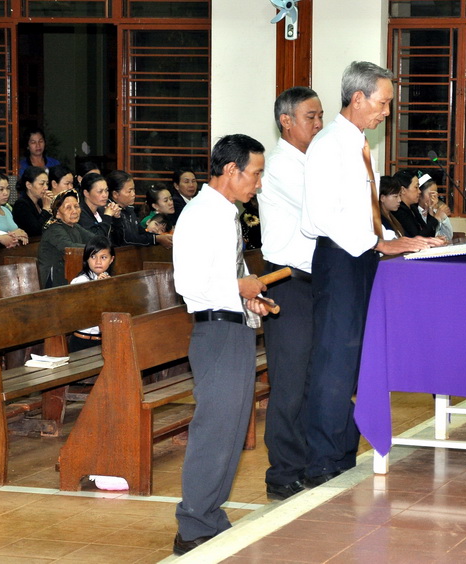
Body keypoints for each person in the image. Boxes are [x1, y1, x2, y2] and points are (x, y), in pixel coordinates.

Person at [300, 61, 433, 487]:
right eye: (384, 102)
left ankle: (343, 452)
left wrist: (394, 243)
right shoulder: (328, 145)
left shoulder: (358, 143)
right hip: (339, 259)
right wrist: (379, 244)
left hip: (360, 258)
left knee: (354, 359)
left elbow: (361, 213)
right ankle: (322, 461)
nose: (387, 112)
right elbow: (322, 216)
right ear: (358, 98)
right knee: (334, 361)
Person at [172, 134, 272, 555]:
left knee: (231, 428)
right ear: (231, 170)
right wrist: (239, 288)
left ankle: (210, 516)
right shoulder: (200, 215)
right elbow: (189, 284)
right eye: (256, 174)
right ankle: (192, 523)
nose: (259, 183)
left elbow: (230, 272)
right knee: (215, 428)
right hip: (215, 332)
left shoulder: (224, 212)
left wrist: (251, 296)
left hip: (234, 326)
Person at [257, 85, 323, 501]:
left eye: (320, 116)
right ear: (286, 121)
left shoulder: (312, 161)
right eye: (310, 117)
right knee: (290, 380)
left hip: (317, 282)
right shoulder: (280, 165)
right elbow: (321, 216)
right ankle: (282, 472)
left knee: (315, 377)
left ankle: (312, 460)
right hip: (288, 282)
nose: (318, 124)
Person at [37, 189, 94, 288]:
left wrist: (101, 245)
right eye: (68, 208)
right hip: (51, 282)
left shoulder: (75, 226)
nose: (74, 211)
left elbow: (94, 239)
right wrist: (95, 248)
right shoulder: (54, 229)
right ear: (57, 214)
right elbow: (69, 247)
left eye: (76, 206)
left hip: (69, 274)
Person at [68, 236, 116, 352]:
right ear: (86, 259)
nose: (98, 262)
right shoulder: (80, 281)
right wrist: (98, 288)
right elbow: (82, 312)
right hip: (83, 341)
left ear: (111, 259)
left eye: (103, 257)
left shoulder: (110, 280)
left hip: (105, 339)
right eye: (93, 257)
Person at [107, 170, 173, 249]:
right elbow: (126, 239)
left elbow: (141, 233)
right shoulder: (110, 211)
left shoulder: (129, 210)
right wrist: (156, 238)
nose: (133, 194)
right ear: (115, 194)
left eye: (134, 190)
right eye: (129, 191)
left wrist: (159, 237)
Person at [392, 169, 437, 238]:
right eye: (416, 187)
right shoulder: (399, 211)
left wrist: (431, 210)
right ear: (403, 190)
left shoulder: (413, 208)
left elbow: (427, 232)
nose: (419, 191)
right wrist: (436, 219)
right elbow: (417, 237)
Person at [77, 172, 120, 240]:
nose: (105, 195)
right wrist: (107, 216)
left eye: (106, 190)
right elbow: (97, 240)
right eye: (100, 191)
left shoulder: (102, 210)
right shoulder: (80, 214)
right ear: (86, 193)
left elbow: (117, 240)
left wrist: (116, 218)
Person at [12, 166, 52, 237]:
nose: (46, 187)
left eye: (47, 184)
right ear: (29, 185)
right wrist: (46, 208)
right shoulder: (21, 205)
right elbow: (35, 231)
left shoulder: (41, 202)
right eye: (41, 184)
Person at [417, 174, 453, 242]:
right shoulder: (415, 213)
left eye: (436, 194)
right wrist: (436, 218)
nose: (434, 198)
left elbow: (448, 237)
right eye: (431, 194)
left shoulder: (437, 211)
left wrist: (443, 217)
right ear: (419, 195)